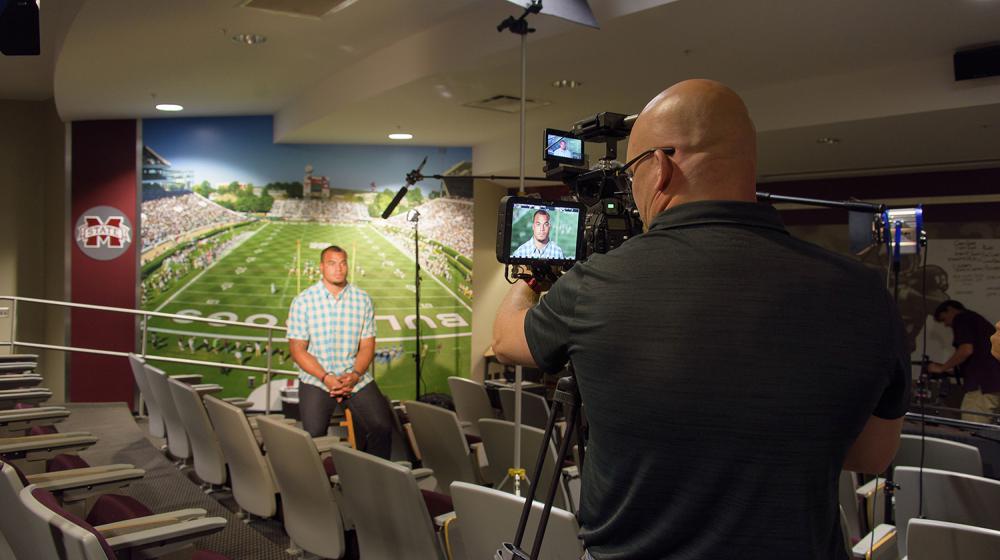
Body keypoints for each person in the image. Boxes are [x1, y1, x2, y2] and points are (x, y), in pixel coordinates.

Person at [493, 79, 909, 560]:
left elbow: (506, 340)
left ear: (661, 167)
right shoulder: (864, 293)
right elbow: (871, 455)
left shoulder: (594, 285)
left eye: (632, 174)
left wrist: (527, 277)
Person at [287, 245, 394, 459]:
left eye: (343, 263)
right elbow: (298, 350)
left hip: (353, 376)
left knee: (382, 426)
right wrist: (326, 377)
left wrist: (354, 375)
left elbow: (367, 346)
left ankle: (374, 480)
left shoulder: (363, 300)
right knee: (313, 436)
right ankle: (319, 487)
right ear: (321, 267)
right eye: (332, 263)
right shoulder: (303, 301)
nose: (339, 268)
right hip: (317, 378)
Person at [928, 300, 1000, 422]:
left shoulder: (962, 319)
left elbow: (966, 349)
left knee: (972, 427)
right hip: (993, 381)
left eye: (944, 319)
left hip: (982, 384)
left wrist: (942, 368)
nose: (946, 325)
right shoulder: (975, 320)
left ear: (950, 309)